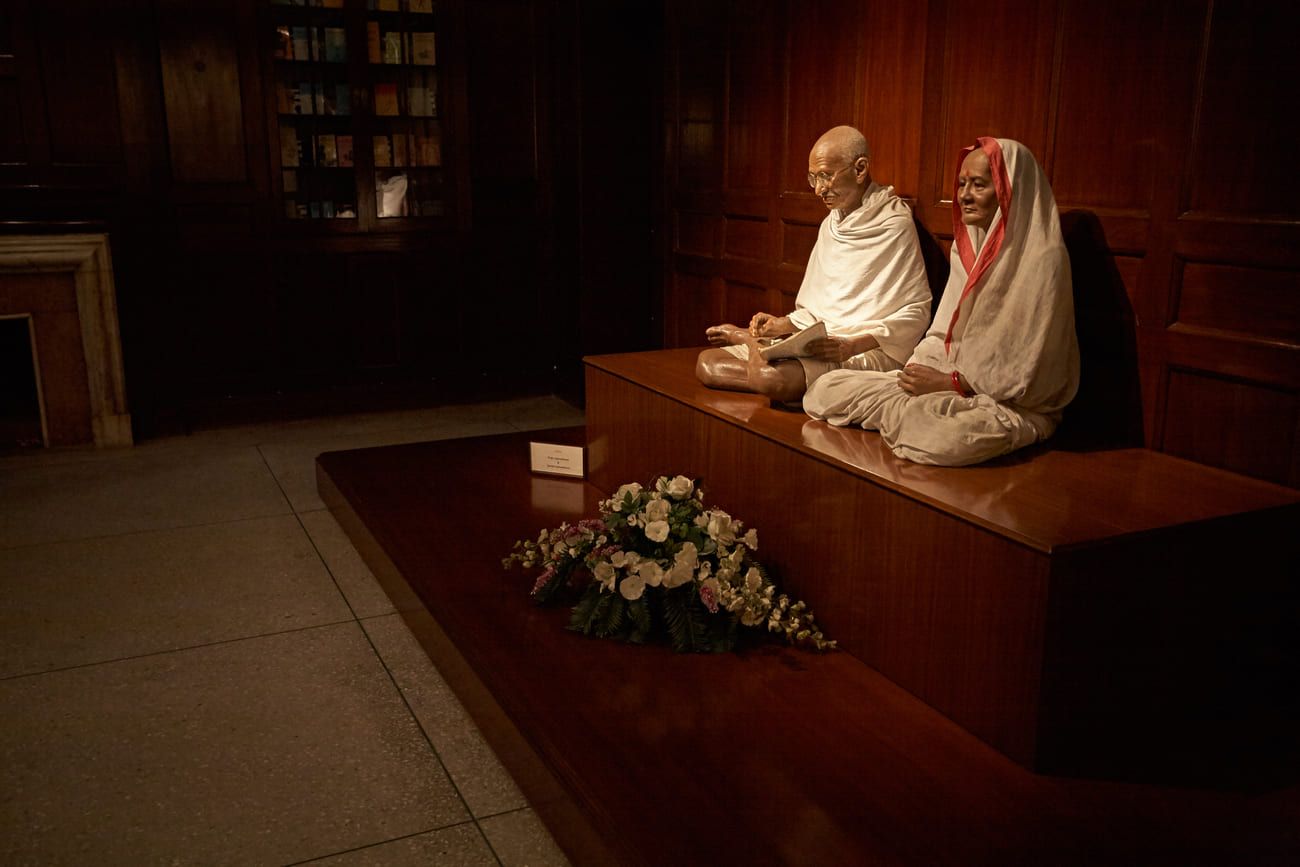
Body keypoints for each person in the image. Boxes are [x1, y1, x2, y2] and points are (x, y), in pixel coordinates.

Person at [802, 137, 1079, 467]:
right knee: (825, 388)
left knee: (932, 432)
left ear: (1011, 189)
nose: (964, 196)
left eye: (978, 185)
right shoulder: (966, 249)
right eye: (961, 184)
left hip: (1008, 404)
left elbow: (1031, 375)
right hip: (945, 383)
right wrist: (923, 373)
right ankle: (906, 415)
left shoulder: (1043, 260)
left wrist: (951, 383)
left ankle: (908, 418)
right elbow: (943, 330)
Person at [694, 125, 932, 405]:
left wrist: (851, 345)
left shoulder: (894, 224)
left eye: (825, 176)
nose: (819, 190)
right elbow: (819, 308)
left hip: (861, 349)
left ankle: (748, 342)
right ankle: (762, 352)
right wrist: (781, 325)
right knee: (707, 364)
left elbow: (915, 312)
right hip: (819, 344)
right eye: (813, 178)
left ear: (860, 169)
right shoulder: (830, 224)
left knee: (772, 379)